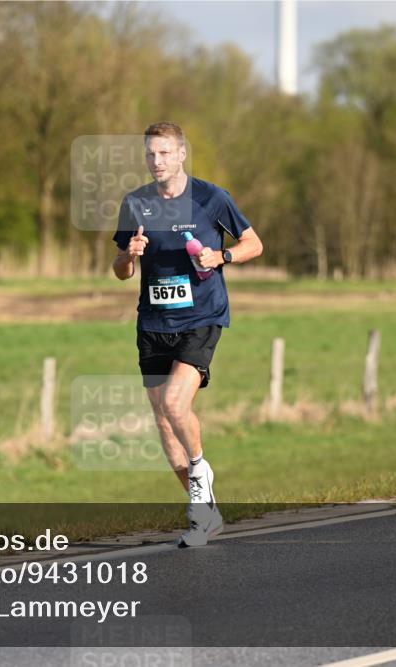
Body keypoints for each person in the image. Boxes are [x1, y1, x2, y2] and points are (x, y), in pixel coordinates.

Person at [112, 122, 263, 548]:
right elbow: (121, 272)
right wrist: (128, 255)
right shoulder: (135, 203)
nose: (156, 161)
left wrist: (223, 255)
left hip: (201, 316)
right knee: (163, 419)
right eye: (149, 155)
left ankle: (200, 469)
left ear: (181, 154)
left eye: (163, 153)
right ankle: (204, 513)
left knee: (177, 404)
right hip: (152, 322)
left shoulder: (211, 197)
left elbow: (255, 243)